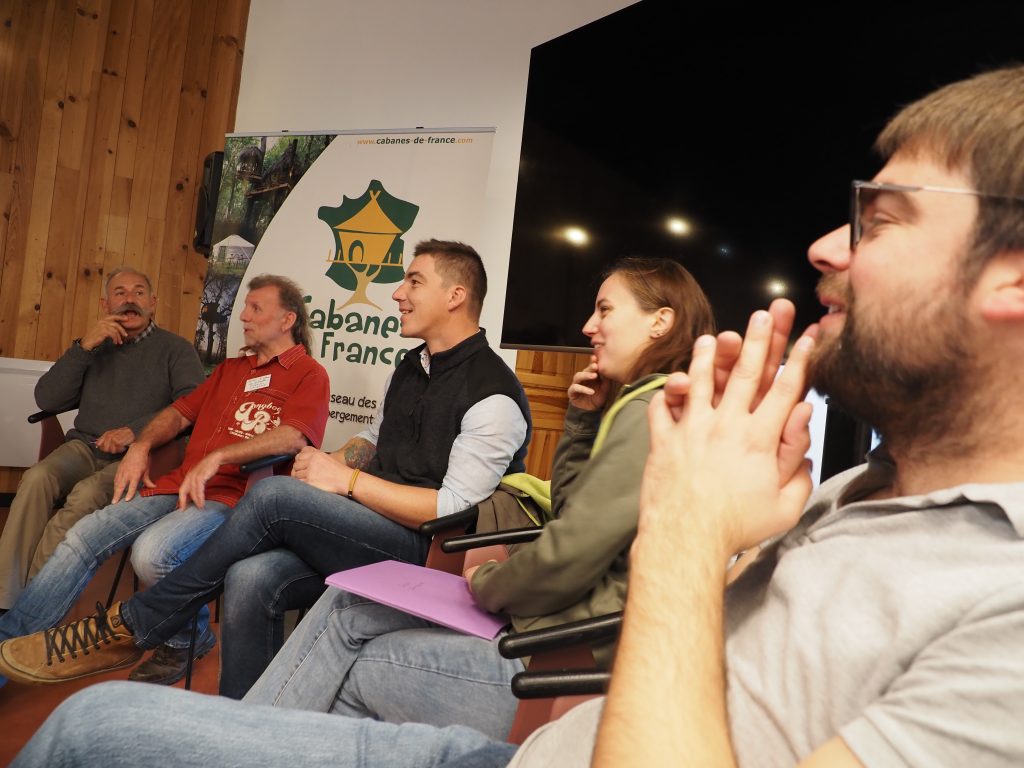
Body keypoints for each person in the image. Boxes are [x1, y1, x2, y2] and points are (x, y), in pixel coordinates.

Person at [14, 63, 1024, 768]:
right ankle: (208, 702)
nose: (826, 247)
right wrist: (603, 445)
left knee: (109, 712)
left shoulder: (999, 613)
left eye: (880, 220)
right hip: (558, 725)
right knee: (265, 577)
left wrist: (682, 527)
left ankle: (135, 638)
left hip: (515, 637)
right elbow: (612, 541)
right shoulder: (858, 490)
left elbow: (510, 527)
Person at [0, 239, 533, 695]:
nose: (397, 293)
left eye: (414, 281)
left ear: (455, 295)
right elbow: (376, 438)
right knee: (249, 576)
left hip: (430, 552)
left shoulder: (494, 396)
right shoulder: (413, 366)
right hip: (373, 523)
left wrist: (344, 480)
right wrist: (330, 461)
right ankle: (243, 720)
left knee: (272, 497)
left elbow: (450, 510)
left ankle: (137, 623)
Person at [0, 273, 330, 686]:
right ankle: (9, 646)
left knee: (152, 554)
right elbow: (178, 414)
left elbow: (294, 436)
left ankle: (187, 639)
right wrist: (140, 445)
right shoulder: (231, 369)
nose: (243, 316)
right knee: (83, 534)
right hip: (178, 485)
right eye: (245, 307)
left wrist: (220, 457)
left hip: (233, 499)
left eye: (255, 308)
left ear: (287, 319)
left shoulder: (309, 374)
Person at [0, 267, 204, 611]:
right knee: (36, 478)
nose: (130, 300)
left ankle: (34, 605)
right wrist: (83, 347)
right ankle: (5, 598)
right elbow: (47, 399)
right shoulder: (93, 347)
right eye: (120, 292)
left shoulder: (176, 350)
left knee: (87, 494)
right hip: (85, 446)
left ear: (152, 303)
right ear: (105, 304)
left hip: (142, 457)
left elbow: (193, 404)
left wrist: (134, 431)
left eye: (139, 292)